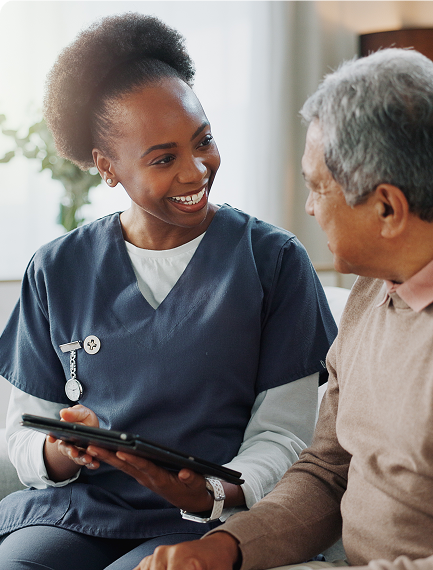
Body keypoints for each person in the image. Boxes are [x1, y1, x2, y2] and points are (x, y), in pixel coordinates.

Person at [134, 48, 433, 570]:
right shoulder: (378, 284)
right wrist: (227, 549)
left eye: (317, 188)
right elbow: (329, 471)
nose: (308, 207)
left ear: (388, 209)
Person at [0, 13, 337, 570]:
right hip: (78, 511)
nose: (196, 170)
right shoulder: (56, 270)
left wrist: (212, 491)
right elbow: (22, 432)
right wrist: (61, 452)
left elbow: (287, 437)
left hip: (208, 518)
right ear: (107, 167)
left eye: (203, 140)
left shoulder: (273, 263)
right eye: (164, 158)